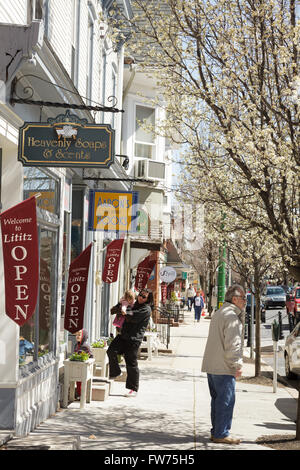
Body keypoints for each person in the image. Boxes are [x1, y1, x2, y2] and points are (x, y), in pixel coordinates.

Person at [201, 285, 246, 445]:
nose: (245, 302)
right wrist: (237, 365)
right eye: (243, 298)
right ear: (235, 299)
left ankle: (217, 431)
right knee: (226, 401)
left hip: (212, 366)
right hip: (223, 367)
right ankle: (221, 433)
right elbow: (233, 345)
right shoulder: (232, 317)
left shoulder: (219, 313)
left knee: (217, 400)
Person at [107, 288, 153, 397]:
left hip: (134, 339)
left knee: (131, 363)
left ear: (148, 299)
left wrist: (124, 310)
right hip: (123, 335)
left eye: (143, 296)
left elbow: (133, 317)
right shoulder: (133, 303)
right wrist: (121, 305)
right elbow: (116, 309)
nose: (140, 297)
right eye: (140, 295)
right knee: (111, 351)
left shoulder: (146, 309)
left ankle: (133, 389)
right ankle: (115, 372)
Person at [74, 329, 93, 398]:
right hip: (77, 367)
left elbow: (91, 356)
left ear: (84, 336)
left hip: (84, 368)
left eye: (79, 335)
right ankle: (79, 394)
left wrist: (86, 360)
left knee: (82, 383)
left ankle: (82, 395)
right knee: (78, 382)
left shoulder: (85, 346)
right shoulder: (76, 345)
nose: (77, 336)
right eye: (76, 335)